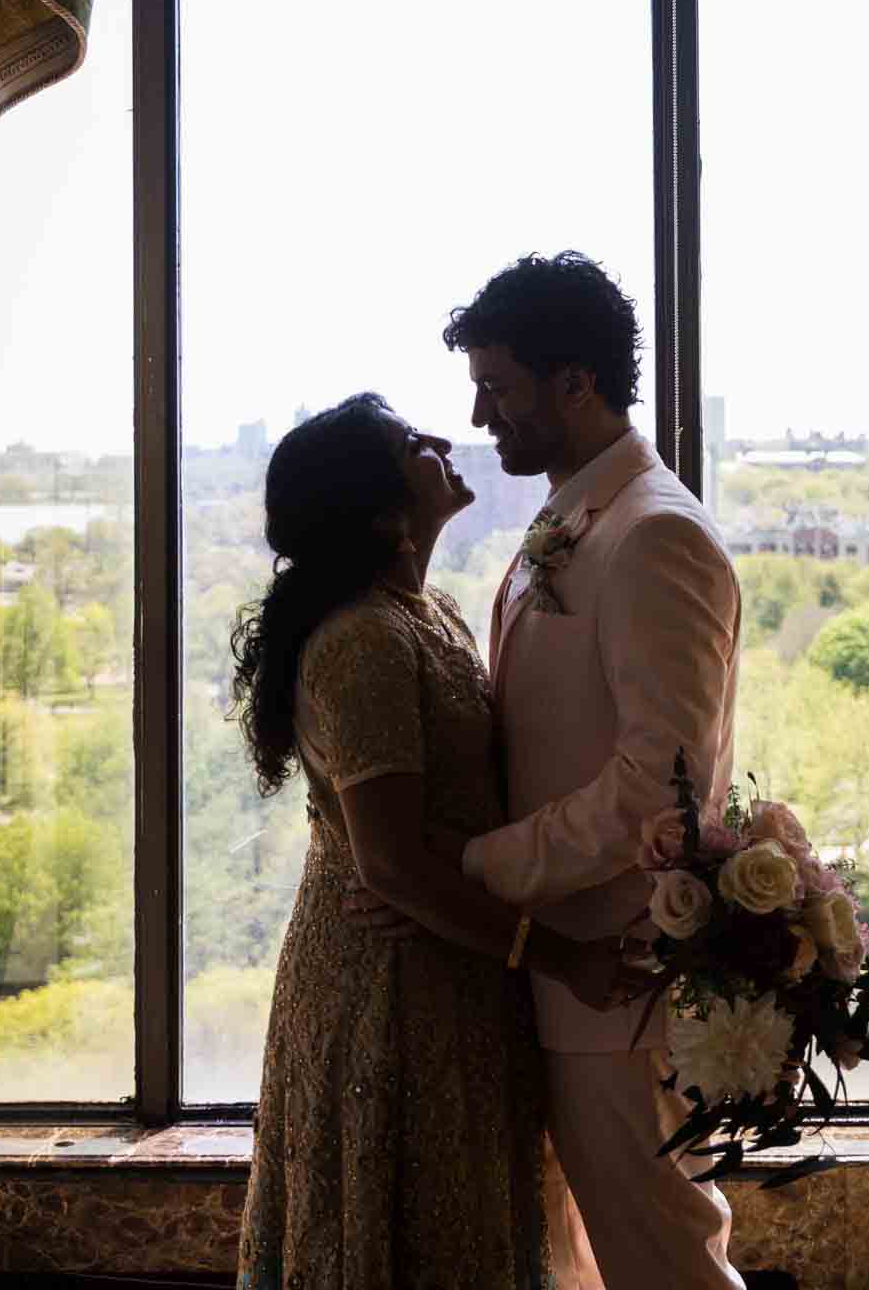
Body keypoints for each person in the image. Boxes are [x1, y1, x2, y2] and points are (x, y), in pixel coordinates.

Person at [232, 390, 642, 1290]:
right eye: (410, 442)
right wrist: (562, 958)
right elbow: (389, 863)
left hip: (455, 959)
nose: (441, 440)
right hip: (392, 985)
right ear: (381, 507)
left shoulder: (430, 614)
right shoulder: (363, 642)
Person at [442, 253, 744, 1290]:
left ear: (574, 383)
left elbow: (655, 789)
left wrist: (479, 865)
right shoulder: (576, 517)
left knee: (664, 1261)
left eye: (499, 386)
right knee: (583, 1266)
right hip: (559, 971)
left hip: (620, 984)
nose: (481, 414)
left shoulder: (656, 533)